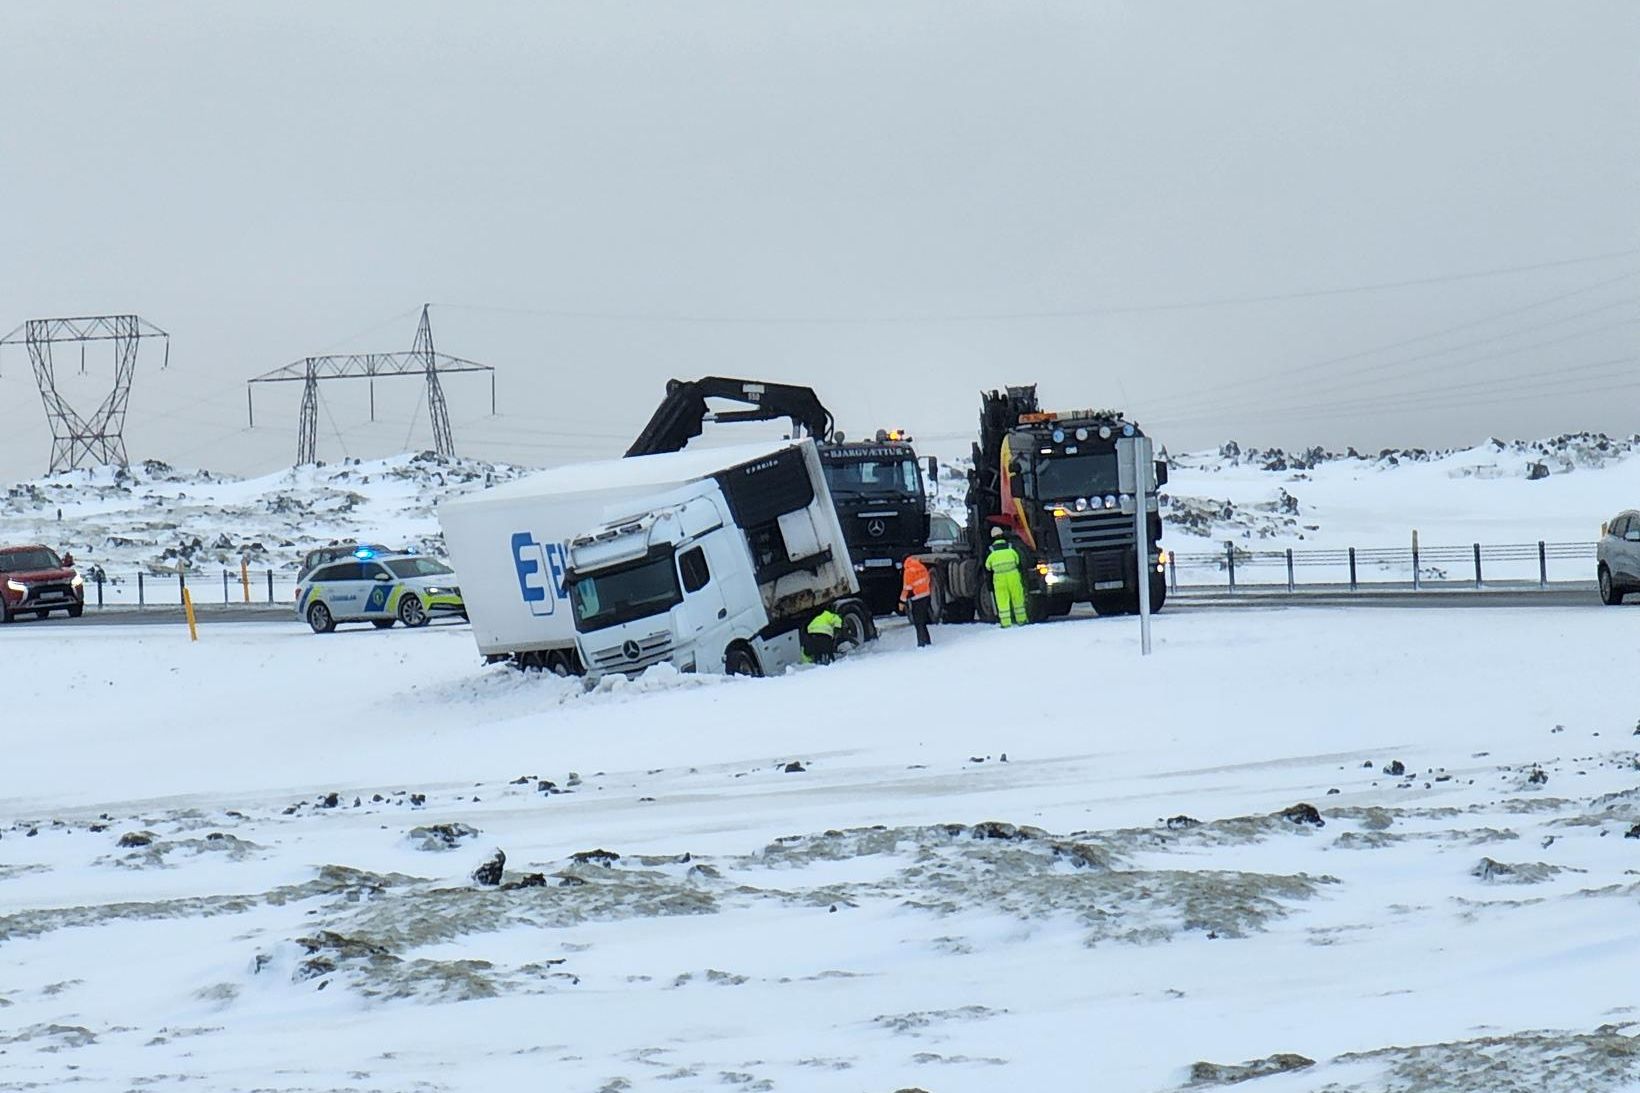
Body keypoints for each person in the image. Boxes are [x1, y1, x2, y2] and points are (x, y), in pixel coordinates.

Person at [985, 527, 1029, 627]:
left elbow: (988, 566)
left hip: (999, 579)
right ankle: (1021, 620)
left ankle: (1006, 623)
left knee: (1002, 601)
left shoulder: (991, 551)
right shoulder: (1010, 547)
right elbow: (1017, 561)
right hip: (1013, 576)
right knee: (1018, 598)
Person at [899, 555, 933, 647]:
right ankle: (927, 641)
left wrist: (902, 602)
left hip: (917, 598)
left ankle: (921, 643)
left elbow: (907, 588)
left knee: (918, 622)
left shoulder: (908, 571)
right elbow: (928, 579)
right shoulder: (921, 566)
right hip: (926, 595)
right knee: (923, 620)